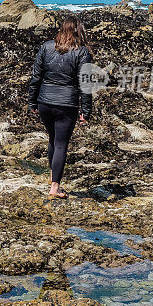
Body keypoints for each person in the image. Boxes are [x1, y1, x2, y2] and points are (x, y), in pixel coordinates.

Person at [28, 16, 93, 199]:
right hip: (66, 105)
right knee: (61, 144)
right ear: (78, 30)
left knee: (53, 140)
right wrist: (86, 111)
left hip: (44, 103)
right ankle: (55, 187)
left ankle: (53, 178)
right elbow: (85, 84)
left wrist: (32, 102)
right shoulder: (82, 52)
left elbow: (35, 77)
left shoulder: (47, 46)